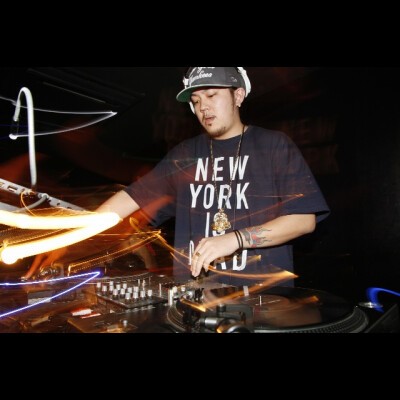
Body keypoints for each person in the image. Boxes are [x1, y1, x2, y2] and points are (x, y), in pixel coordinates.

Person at [26, 67, 330, 287]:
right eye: (195, 100)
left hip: (265, 302)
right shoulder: (185, 154)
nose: (203, 107)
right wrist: (72, 237)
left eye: (211, 95)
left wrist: (236, 239)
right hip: (193, 300)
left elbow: (304, 220)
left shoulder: (273, 145)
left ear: (238, 95)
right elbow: (130, 198)